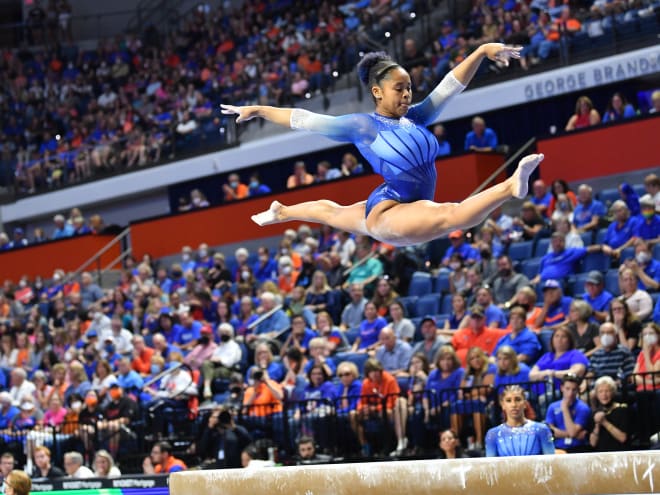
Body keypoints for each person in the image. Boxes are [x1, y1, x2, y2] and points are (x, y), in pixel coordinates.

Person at [223, 44, 544, 247]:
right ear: (377, 92)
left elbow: (450, 86)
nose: (407, 95)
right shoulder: (362, 125)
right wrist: (259, 110)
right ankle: (510, 186)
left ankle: (282, 211)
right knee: (452, 215)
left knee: (332, 213)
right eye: (399, 89)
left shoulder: (415, 117)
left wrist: (480, 51)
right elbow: (305, 118)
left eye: (409, 88)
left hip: (395, 202)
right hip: (389, 212)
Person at [485, 385, 555, 457]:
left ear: (525, 403)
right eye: (508, 400)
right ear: (503, 405)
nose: (514, 405)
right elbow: (490, 466)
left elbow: (551, 462)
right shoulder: (493, 434)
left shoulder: (541, 429)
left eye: (518, 399)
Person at [545, 374, 591, 453]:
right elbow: (550, 432)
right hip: (557, 448)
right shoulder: (552, 407)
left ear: (578, 390)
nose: (570, 393)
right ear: (562, 388)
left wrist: (565, 409)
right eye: (567, 389)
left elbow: (572, 432)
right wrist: (571, 435)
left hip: (578, 448)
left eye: (574, 389)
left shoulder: (583, 408)